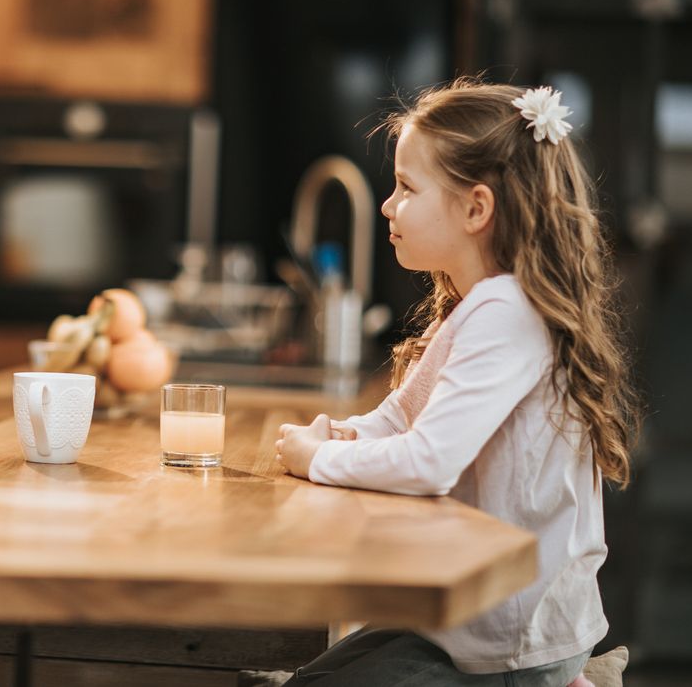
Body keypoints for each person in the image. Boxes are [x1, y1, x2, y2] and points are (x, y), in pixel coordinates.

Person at [274, 79, 640, 686]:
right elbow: (397, 417)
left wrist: (318, 460)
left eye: (407, 188)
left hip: (513, 640)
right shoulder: (478, 304)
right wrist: (339, 434)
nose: (388, 205)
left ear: (476, 209)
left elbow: (430, 462)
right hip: (469, 617)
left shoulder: (505, 313)